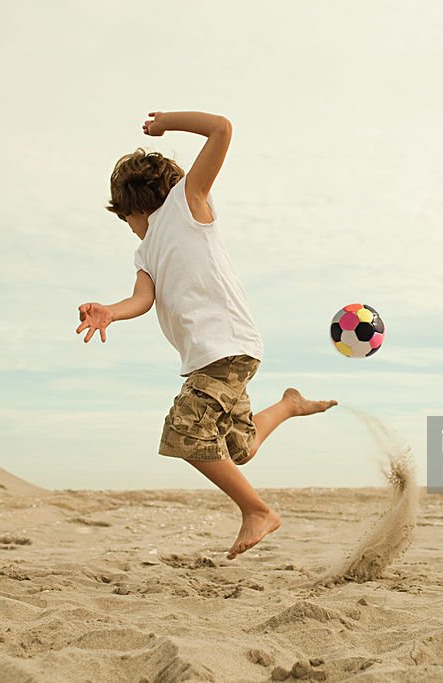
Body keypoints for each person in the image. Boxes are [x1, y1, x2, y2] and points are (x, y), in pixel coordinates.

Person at [76, 111, 337, 559]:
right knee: (238, 448)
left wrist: (167, 124)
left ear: (134, 208)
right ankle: (290, 405)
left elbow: (221, 128)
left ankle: (257, 511)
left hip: (226, 347)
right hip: (217, 356)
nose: (130, 229)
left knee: (185, 432)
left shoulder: (187, 203)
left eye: (126, 219)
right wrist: (109, 313)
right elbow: (142, 300)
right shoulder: (145, 253)